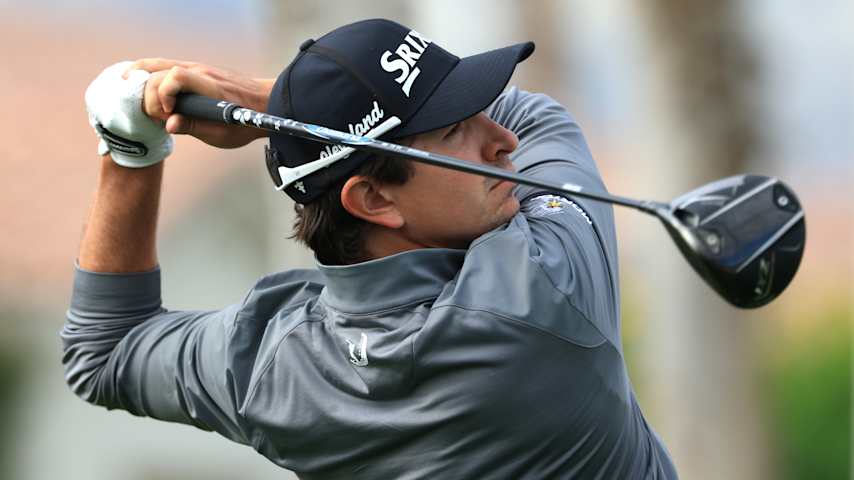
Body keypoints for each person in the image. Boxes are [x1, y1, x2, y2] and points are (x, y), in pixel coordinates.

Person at [63, 18, 678, 479]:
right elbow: (540, 117)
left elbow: (104, 349)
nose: (502, 140)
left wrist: (129, 146)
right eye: (456, 128)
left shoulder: (277, 369)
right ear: (375, 200)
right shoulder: (542, 288)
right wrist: (262, 100)